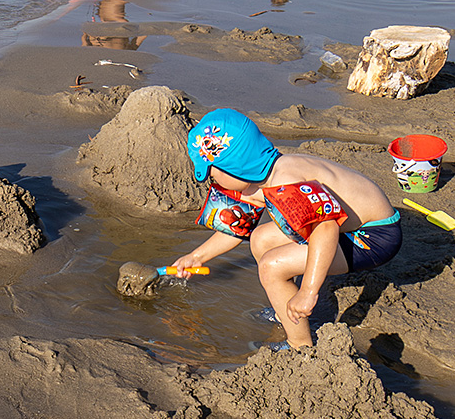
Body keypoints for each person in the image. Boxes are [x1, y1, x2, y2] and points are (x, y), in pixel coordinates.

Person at [165, 108, 402, 348]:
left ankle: (300, 345)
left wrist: (308, 291)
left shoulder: (285, 183)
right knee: (260, 238)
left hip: (373, 236)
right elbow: (235, 229)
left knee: (271, 267)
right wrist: (196, 257)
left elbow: (325, 229)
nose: (212, 181)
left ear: (235, 167)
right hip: (344, 225)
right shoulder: (263, 175)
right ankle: (285, 307)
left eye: (212, 174)